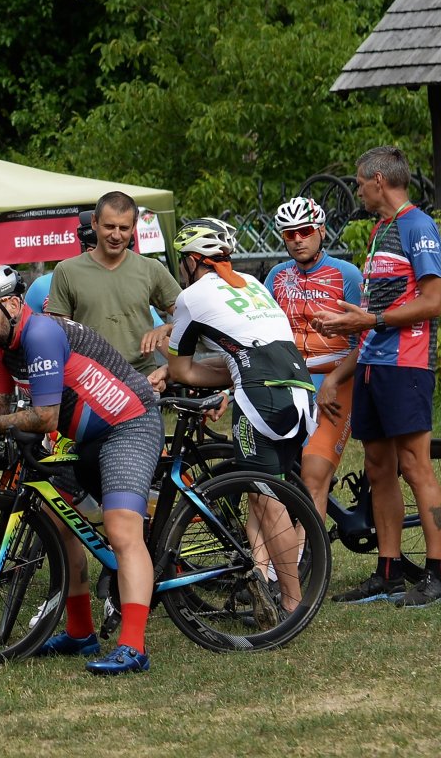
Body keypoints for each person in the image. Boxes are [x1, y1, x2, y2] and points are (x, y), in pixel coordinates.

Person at [0, 264, 161, 675]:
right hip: (91, 435)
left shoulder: (40, 334)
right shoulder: (3, 345)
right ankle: (80, 633)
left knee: (121, 528)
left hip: (131, 422)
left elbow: (44, 418)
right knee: (59, 521)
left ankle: (133, 646)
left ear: (10, 303)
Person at [313, 147, 441, 607]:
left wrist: (368, 321)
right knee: (378, 468)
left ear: (378, 180)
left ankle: (437, 575)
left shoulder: (418, 226)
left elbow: (432, 303)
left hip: (407, 364)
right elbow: (373, 313)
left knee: (414, 465)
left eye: (358, 182)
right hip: (373, 364)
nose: (357, 190)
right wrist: (340, 363)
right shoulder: (380, 230)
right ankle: (388, 571)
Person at [158, 218, 317, 610]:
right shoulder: (255, 284)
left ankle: (291, 605)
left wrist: (163, 346)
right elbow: (239, 357)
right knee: (264, 489)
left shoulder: (191, 296)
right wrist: (228, 369)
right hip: (299, 388)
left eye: (182, 261)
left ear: (193, 260)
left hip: (261, 398)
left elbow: (183, 372)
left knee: (265, 499)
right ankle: (262, 581)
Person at [265, 196, 365, 519]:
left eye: (304, 231)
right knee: (276, 476)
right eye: (288, 234)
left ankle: (312, 566)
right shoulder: (277, 277)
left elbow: (367, 340)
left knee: (313, 476)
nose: (297, 240)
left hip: (335, 381)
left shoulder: (347, 275)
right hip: (288, 382)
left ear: (321, 231)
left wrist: (334, 381)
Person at [46, 191, 179, 372]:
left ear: (134, 227)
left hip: (143, 379)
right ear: (94, 222)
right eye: (109, 226)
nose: (116, 236)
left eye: (123, 228)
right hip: (89, 382)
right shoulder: (66, 271)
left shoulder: (151, 268)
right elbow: (57, 336)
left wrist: (166, 328)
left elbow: (191, 316)